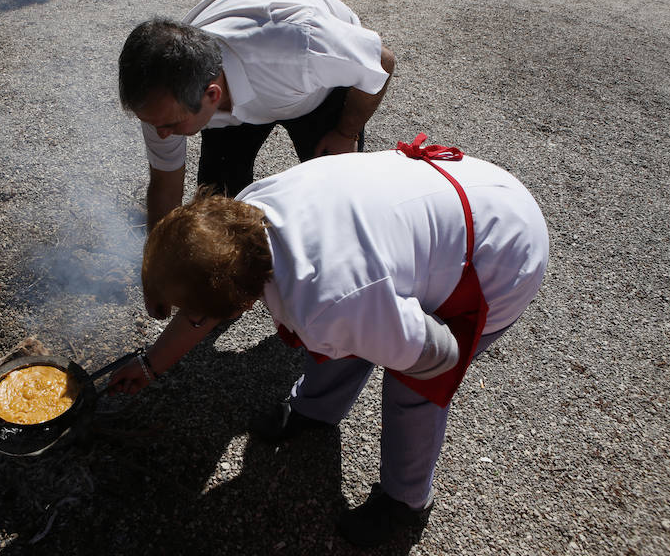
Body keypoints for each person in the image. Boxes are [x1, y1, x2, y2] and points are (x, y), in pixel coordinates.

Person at [108, 135, 549, 547]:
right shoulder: (242, 220)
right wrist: (151, 365)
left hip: (501, 248)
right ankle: (315, 411)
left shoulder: (325, 300)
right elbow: (215, 307)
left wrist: (396, 337)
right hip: (459, 197)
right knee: (346, 331)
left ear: (241, 304)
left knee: (410, 388)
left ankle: (406, 504)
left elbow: (438, 357)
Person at [118, 0, 395, 231]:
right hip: (240, 92)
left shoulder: (300, 46)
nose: (161, 133)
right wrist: (158, 267)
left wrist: (346, 132)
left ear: (212, 95)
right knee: (218, 215)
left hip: (315, 89)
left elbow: (381, 61)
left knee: (338, 200)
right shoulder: (163, 101)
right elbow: (165, 187)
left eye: (170, 125)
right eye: (155, 124)